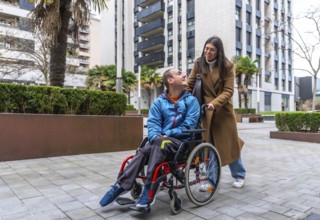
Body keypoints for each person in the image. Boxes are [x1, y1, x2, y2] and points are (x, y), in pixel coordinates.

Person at [100, 68, 200, 208]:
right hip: (161, 143)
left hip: (181, 144)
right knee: (143, 151)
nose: (184, 75)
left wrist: (168, 134)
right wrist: (155, 136)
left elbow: (189, 126)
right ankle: (121, 186)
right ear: (170, 80)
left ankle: (149, 188)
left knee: (159, 143)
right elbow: (153, 124)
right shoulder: (159, 103)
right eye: (179, 73)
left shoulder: (191, 101)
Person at [186, 36, 246, 190]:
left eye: (212, 50)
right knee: (210, 144)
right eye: (206, 48)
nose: (208, 52)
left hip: (222, 110)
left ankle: (239, 175)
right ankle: (211, 181)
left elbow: (228, 91)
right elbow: (190, 84)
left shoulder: (227, 66)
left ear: (219, 52)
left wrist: (214, 103)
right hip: (206, 111)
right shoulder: (199, 63)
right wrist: (183, 102)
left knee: (230, 143)